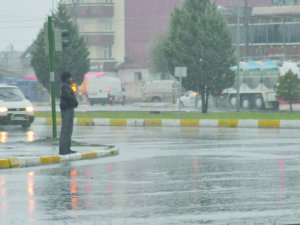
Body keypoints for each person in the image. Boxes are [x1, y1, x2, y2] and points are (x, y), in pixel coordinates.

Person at [59, 71, 78, 155]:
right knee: (65, 130)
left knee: (69, 130)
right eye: (70, 77)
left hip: (70, 109)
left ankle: (67, 148)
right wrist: (74, 100)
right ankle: (63, 150)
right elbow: (69, 97)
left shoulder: (68, 86)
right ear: (67, 78)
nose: (71, 79)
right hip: (67, 109)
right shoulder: (64, 87)